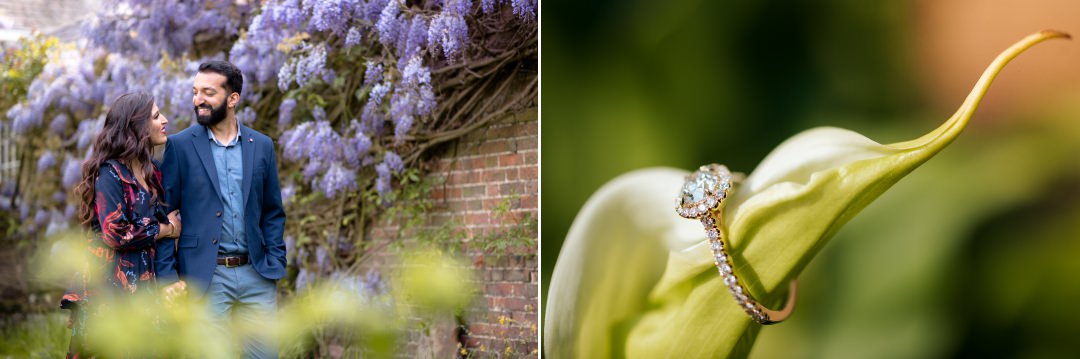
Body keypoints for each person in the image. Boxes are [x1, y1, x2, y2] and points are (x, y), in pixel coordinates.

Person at [156, 60, 287, 358]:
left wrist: (275, 259)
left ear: (232, 99)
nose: (197, 100)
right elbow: (165, 213)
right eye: (195, 91)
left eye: (207, 92)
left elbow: (272, 211)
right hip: (206, 275)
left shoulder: (262, 145)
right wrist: (168, 275)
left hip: (257, 273)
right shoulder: (180, 145)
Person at [62, 92, 182, 358]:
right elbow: (116, 233)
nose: (164, 120)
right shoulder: (109, 172)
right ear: (136, 126)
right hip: (107, 290)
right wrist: (167, 230)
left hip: (142, 285)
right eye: (155, 116)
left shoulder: (152, 171)